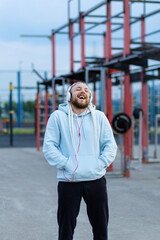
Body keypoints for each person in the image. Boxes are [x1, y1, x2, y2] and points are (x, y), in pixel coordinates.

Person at [43, 81, 117, 240]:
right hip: (69, 180)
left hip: (95, 179)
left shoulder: (99, 117)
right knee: (66, 228)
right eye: (78, 89)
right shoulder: (58, 117)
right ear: (69, 96)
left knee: (100, 227)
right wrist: (66, 164)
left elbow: (110, 145)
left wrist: (100, 163)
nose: (82, 92)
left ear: (90, 96)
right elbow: (49, 146)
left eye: (86, 90)